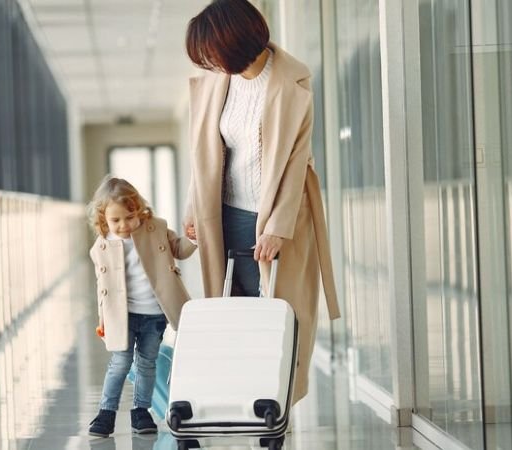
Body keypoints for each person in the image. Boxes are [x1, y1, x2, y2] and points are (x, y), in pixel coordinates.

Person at [182, 0, 341, 405]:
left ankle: (272, 404)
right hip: (225, 214)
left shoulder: (293, 82)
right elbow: (204, 153)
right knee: (231, 313)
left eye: (212, 52)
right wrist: (193, 208)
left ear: (235, 42)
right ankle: (239, 397)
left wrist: (277, 227)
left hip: (272, 215)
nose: (209, 62)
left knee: (274, 314)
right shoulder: (217, 83)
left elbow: (295, 161)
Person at [87, 176, 197, 437]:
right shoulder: (102, 246)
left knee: (147, 363)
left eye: (129, 216)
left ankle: (141, 411)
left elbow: (179, 249)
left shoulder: (156, 229)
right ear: (104, 220)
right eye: (116, 220)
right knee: (120, 363)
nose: (124, 225)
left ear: (139, 210)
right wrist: (103, 320)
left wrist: (195, 239)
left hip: (155, 313)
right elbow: (102, 288)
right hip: (122, 316)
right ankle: (106, 413)